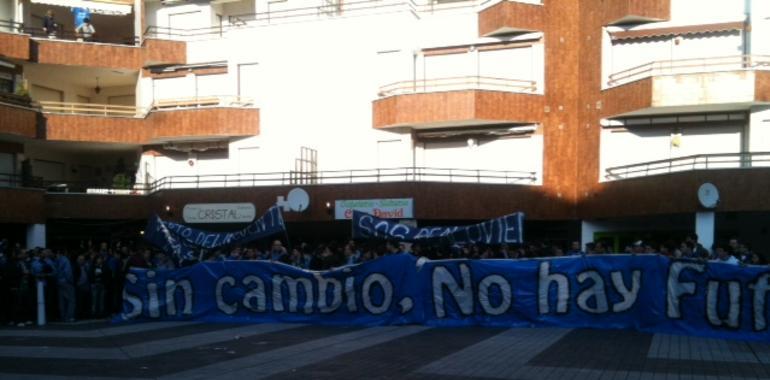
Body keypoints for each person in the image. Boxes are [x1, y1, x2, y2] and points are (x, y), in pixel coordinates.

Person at [54, 250, 76, 322]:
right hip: (66, 282)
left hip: (59, 282)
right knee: (71, 300)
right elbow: (68, 273)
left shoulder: (56, 261)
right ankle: (69, 317)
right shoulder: (65, 260)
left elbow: (55, 272)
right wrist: (71, 281)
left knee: (62, 300)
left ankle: (63, 316)